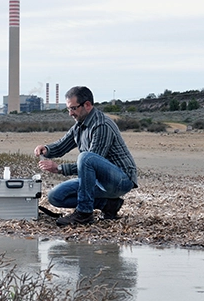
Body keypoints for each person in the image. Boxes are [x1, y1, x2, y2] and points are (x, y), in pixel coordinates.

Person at [34, 86, 137, 227]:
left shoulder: (102, 125)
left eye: (73, 108)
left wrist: (59, 168)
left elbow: (91, 160)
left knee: (86, 157)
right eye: (68, 109)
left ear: (87, 105)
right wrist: (46, 149)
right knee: (55, 196)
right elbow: (62, 145)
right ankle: (108, 204)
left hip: (120, 180)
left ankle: (84, 213)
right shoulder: (79, 125)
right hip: (98, 180)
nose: (70, 113)